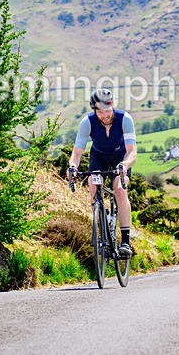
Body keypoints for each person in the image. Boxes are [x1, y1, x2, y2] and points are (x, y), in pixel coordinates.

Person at [67, 88, 137, 258]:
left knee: (120, 189)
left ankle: (125, 242)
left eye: (108, 111)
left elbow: (132, 152)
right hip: (98, 157)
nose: (105, 115)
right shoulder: (87, 122)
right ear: (94, 110)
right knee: (93, 184)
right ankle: (101, 224)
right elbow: (76, 153)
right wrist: (72, 167)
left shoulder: (124, 119)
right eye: (101, 112)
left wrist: (124, 165)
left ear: (113, 107)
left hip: (121, 158)